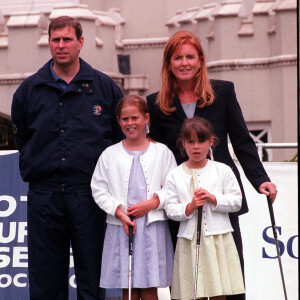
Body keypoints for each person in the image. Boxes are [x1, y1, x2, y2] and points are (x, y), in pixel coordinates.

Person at [146, 30, 277, 300]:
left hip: (219, 195)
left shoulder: (223, 92)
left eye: (190, 56)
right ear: (168, 63)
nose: (184, 63)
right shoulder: (156, 104)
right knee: (186, 280)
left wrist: (260, 179)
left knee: (228, 275)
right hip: (181, 200)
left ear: (200, 60)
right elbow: (157, 157)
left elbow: (242, 140)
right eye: (177, 57)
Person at [11, 16, 123, 300]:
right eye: (55, 40)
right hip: (44, 195)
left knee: (92, 277)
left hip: (90, 195)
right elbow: (21, 137)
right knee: (46, 280)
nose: (61, 46)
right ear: (49, 43)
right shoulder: (28, 91)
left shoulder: (105, 88)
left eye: (67, 39)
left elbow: (118, 141)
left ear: (80, 42)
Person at [91, 95, 177, 300]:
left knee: (149, 287)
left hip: (151, 226)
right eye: (125, 119)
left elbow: (174, 188)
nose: (130, 123)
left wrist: (152, 203)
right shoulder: (109, 154)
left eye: (135, 118)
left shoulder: (162, 152)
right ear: (119, 121)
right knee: (127, 286)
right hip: (121, 227)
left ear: (146, 118)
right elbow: (98, 189)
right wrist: (119, 212)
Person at [164, 117, 245, 299]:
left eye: (201, 141)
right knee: (194, 292)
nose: (196, 147)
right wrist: (189, 207)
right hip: (189, 241)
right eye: (190, 141)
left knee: (218, 291)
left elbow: (236, 201)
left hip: (218, 239)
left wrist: (213, 198)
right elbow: (170, 209)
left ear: (211, 141)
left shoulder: (222, 170)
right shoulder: (174, 175)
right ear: (183, 143)